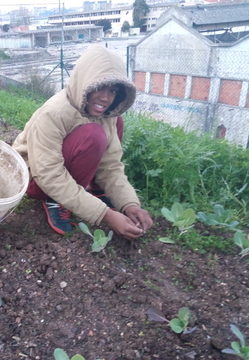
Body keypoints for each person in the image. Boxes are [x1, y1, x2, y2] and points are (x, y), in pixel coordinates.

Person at [12, 45, 153, 239]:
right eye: (98, 87)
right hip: (34, 178)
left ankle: (95, 187)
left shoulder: (107, 113)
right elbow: (48, 174)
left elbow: (111, 166)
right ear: (84, 82)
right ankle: (56, 201)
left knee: (115, 121)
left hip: (57, 171)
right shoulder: (54, 113)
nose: (105, 98)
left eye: (112, 90)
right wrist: (106, 215)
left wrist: (129, 204)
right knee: (93, 135)